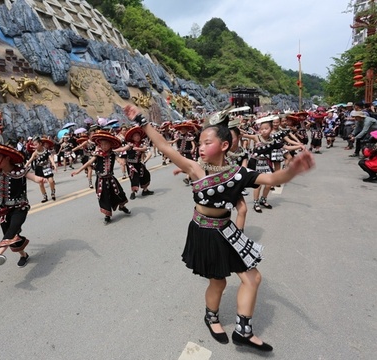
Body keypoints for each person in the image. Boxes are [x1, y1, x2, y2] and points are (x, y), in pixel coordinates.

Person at [124, 104, 315, 352]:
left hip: (226, 229)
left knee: (253, 277)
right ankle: (211, 317)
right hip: (204, 231)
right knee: (219, 282)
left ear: (224, 145)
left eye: (207, 142)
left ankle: (243, 331)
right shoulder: (195, 169)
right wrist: (141, 119)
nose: (201, 147)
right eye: (200, 143)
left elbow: (271, 179)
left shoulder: (239, 173)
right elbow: (163, 146)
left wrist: (293, 171)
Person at [71, 131, 131, 225]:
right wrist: (78, 170)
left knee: (119, 193)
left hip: (111, 178)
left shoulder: (112, 153)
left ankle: (122, 206)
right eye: (102, 144)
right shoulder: (97, 154)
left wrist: (121, 162)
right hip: (101, 180)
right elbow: (89, 162)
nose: (104, 146)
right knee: (104, 197)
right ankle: (107, 215)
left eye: (106, 144)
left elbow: (119, 159)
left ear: (110, 145)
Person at [120, 126, 154, 199]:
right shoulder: (130, 144)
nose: (137, 137)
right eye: (135, 136)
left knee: (146, 174)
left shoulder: (142, 143)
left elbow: (145, 149)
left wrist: (140, 150)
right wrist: (114, 150)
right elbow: (123, 149)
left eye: (138, 135)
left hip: (138, 163)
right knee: (134, 177)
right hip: (130, 164)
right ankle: (133, 192)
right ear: (132, 138)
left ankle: (145, 190)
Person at [25, 136, 57, 203]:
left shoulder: (46, 151)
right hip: (39, 169)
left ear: (40, 143)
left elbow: (50, 158)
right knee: (40, 183)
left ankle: (53, 193)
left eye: (36, 144)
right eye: (34, 145)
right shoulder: (35, 153)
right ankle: (44, 196)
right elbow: (30, 160)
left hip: (47, 168)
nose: (35, 146)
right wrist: (25, 166)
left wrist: (54, 165)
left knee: (51, 181)